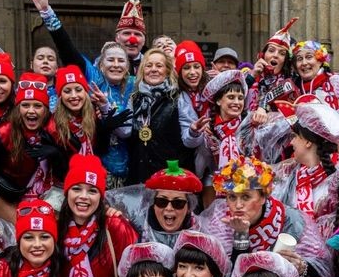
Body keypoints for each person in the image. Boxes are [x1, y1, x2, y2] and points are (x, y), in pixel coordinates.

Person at [30, 0, 136, 179]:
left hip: (130, 166)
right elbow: (68, 51)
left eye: (121, 60)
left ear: (127, 66)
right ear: (101, 65)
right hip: (96, 167)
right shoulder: (94, 78)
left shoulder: (134, 84)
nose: (115, 65)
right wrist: (47, 13)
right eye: (110, 60)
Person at [199, 154, 330, 277]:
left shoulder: (292, 220)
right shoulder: (219, 220)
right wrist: (241, 235)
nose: (238, 205)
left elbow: (322, 269)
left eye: (246, 197)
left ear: (263, 197)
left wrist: (302, 267)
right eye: (232, 197)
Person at [56, 153, 139, 277]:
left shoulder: (114, 227)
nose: (83, 197)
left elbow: (137, 271)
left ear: (101, 197)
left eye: (92, 191)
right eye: (76, 189)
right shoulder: (55, 230)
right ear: (67, 193)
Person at [0, 72, 66, 216]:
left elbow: (66, 175)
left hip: (47, 195)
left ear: (46, 110)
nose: (31, 111)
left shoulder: (55, 130)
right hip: (6, 196)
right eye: (25, 105)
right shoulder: (3, 133)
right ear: (18, 109)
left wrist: (56, 154)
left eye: (37, 106)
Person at [123, 48, 205, 185]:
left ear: (167, 71)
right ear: (142, 70)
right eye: (148, 65)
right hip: (139, 175)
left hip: (170, 176)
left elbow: (190, 142)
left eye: (159, 65)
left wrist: (193, 132)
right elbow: (125, 132)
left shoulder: (178, 96)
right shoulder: (134, 98)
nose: (153, 69)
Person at [270, 100, 339, 218]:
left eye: (295, 137)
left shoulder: (336, 179)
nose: (291, 142)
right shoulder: (291, 173)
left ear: (308, 142)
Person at [107, 160, 202, 247]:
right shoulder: (136, 224)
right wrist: (115, 221)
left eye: (178, 203)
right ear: (153, 204)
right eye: (162, 202)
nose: (169, 208)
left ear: (189, 207)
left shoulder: (201, 231)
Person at [197, 69, 251, 205]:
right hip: (217, 188)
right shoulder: (209, 129)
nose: (237, 102)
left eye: (240, 98)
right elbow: (202, 167)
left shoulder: (250, 124)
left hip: (249, 186)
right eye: (231, 97)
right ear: (219, 101)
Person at [246, 18, 298, 128]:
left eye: (282, 53)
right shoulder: (249, 75)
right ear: (263, 55)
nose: (275, 55)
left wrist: (263, 107)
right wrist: (252, 75)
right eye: (271, 50)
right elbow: (235, 95)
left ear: (285, 60)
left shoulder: (292, 80)